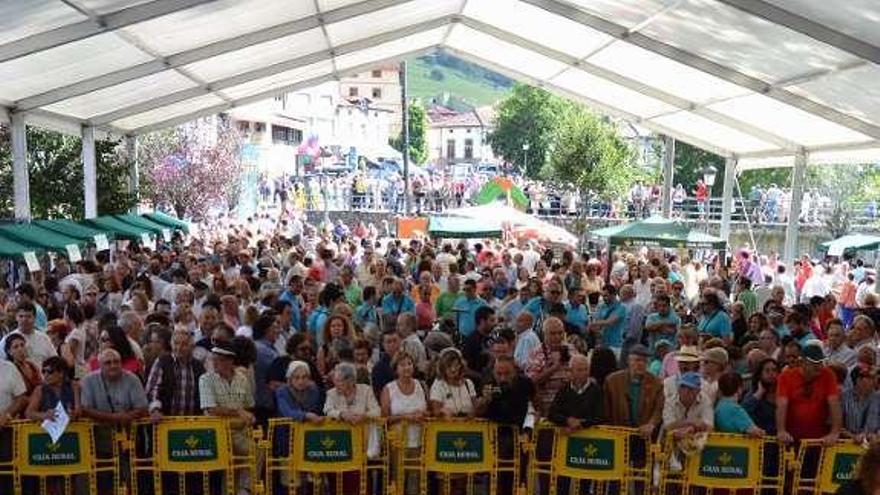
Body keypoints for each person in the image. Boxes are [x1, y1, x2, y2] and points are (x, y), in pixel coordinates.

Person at [199, 343, 255, 495]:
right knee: (252, 451)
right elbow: (211, 408)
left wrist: (247, 416)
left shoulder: (242, 379)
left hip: (240, 430)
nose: (214, 363)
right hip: (216, 432)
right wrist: (238, 411)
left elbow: (249, 405)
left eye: (219, 360)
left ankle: (242, 489)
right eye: (213, 359)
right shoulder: (206, 379)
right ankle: (245, 488)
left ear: (230, 362)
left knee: (251, 453)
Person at [776, 343, 842, 444]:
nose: (819, 366)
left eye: (820, 362)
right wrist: (781, 431)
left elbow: (834, 403)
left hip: (820, 439)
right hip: (791, 438)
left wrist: (835, 433)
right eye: (814, 363)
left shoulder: (828, 374)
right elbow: (781, 405)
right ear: (802, 362)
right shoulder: (785, 377)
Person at [603, 344, 663, 436]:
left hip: (643, 435)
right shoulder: (612, 381)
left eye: (645, 361)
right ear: (628, 361)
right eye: (637, 360)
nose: (641, 364)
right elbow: (606, 409)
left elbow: (658, 409)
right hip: (617, 434)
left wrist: (651, 424)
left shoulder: (656, 383)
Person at [145, 329, 205, 419]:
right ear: (171, 345)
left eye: (184, 344)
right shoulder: (162, 361)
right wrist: (155, 409)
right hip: (166, 420)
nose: (179, 348)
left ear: (191, 347)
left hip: (192, 422)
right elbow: (153, 389)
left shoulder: (198, 366)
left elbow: (203, 393)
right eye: (176, 343)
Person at [80, 349, 149, 425]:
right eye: (108, 363)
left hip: (129, 431)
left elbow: (143, 408)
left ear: (121, 363)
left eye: (116, 362)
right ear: (100, 365)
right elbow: (85, 409)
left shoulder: (133, 379)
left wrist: (126, 417)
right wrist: (115, 418)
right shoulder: (88, 380)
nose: (113, 366)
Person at [380, 351, 427, 451]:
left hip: (421, 441)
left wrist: (422, 414)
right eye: (402, 365)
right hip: (398, 443)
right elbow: (384, 419)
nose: (407, 367)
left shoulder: (421, 385)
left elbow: (429, 411)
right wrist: (404, 417)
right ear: (396, 369)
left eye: (409, 364)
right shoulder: (388, 389)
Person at [525, 317, 573, 416]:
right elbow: (531, 382)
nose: (557, 337)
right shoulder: (537, 353)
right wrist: (554, 367)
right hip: (547, 410)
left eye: (560, 333)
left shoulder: (571, 349)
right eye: (553, 333)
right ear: (544, 335)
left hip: (570, 408)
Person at [547, 354, 603, 431]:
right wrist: (567, 421)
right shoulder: (564, 389)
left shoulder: (596, 390)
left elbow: (600, 417)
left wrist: (581, 423)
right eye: (579, 370)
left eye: (586, 369)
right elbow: (552, 414)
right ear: (571, 371)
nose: (584, 373)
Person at [476, 355, 534, 427]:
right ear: (493, 373)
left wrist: (530, 423)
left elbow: (536, 407)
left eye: (507, 373)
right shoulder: (487, 384)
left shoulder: (525, 383)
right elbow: (476, 413)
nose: (503, 378)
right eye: (499, 374)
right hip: (493, 430)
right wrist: (485, 401)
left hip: (519, 428)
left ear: (515, 372)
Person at [0, 302, 57, 366]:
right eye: (21, 316)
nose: (24, 320)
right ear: (16, 317)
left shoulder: (44, 338)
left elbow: (54, 360)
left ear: (34, 318)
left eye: (28, 316)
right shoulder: (7, 339)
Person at [25, 356, 80, 421]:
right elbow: (29, 413)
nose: (45, 375)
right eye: (44, 371)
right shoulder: (40, 390)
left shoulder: (73, 386)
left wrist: (73, 414)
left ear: (61, 373)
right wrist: (44, 415)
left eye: (49, 371)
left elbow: (78, 410)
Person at [661, 371, 713, 439]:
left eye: (691, 389)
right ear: (678, 388)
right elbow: (668, 425)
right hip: (672, 441)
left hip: (698, 441)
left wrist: (692, 429)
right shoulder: (670, 401)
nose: (686, 391)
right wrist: (690, 422)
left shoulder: (705, 400)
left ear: (698, 391)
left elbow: (709, 426)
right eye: (683, 387)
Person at [429, 348, 476, 418]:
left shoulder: (468, 384)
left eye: (456, 365)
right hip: (445, 427)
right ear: (443, 368)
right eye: (449, 366)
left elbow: (475, 409)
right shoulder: (438, 384)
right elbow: (435, 411)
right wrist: (442, 412)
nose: (453, 369)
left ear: (461, 366)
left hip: (468, 426)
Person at [714, 372, 764, 436]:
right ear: (739, 389)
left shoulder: (718, 407)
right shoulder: (735, 410)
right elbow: (755, 431)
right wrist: (762, 432)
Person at [840, 365, 880, 444]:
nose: (876, 381)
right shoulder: (843, 396)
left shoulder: (878, 397)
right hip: (847, 443)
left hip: (873, 443)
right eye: (871, 378)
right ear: (858, 379)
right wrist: (854, 437)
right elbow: (838, 427)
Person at [587, 284, 627, 355]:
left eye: (606, 295)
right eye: (603, 296)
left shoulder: (621, 307)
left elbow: (609, 322)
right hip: (602, 343)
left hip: (615, 344)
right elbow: (596, 320)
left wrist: (592, 324)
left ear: (614, 295)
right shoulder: (601, 306)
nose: (604, 298)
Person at [742, 358, 779, 435]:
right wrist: (759, 393)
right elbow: (744, 411)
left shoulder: (782, 392)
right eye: (767, 371)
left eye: (774, 370)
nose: (771, 373)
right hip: (761, 439)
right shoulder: (754, 393)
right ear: (760, 374)